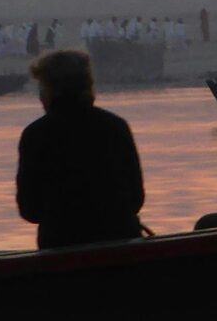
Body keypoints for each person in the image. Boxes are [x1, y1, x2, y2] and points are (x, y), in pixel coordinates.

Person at [14, 49, 145, 249]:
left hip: (60, 246)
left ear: (50, 90)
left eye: (41, 86)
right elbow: (135, 199)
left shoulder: (35, 135)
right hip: (123, 241)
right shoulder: (115, 126)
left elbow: (29, 210)